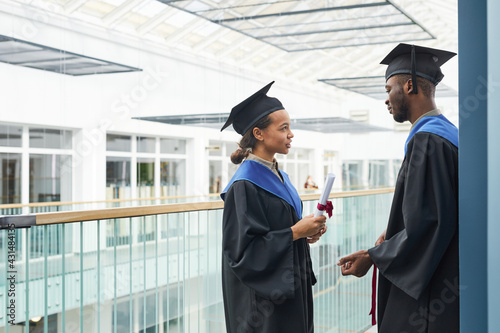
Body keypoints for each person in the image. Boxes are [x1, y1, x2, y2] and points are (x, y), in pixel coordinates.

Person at [337, 44, 459, 333]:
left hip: (431, 290)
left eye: (388, 88)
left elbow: (427, 225)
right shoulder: (447, 134)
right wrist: (391, 235)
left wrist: (372, 256)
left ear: (409, 85)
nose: (386, 99)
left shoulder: (428, 141)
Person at [220, 81, 327, 333]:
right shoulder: (244, 185)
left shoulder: (280, 176)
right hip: (262, 304)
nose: (291, 134)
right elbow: (241, 254)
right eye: (284, 128)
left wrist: (306, 232)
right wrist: (295, 233)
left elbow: (285, 228)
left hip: (290, 289)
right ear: (259, 133)